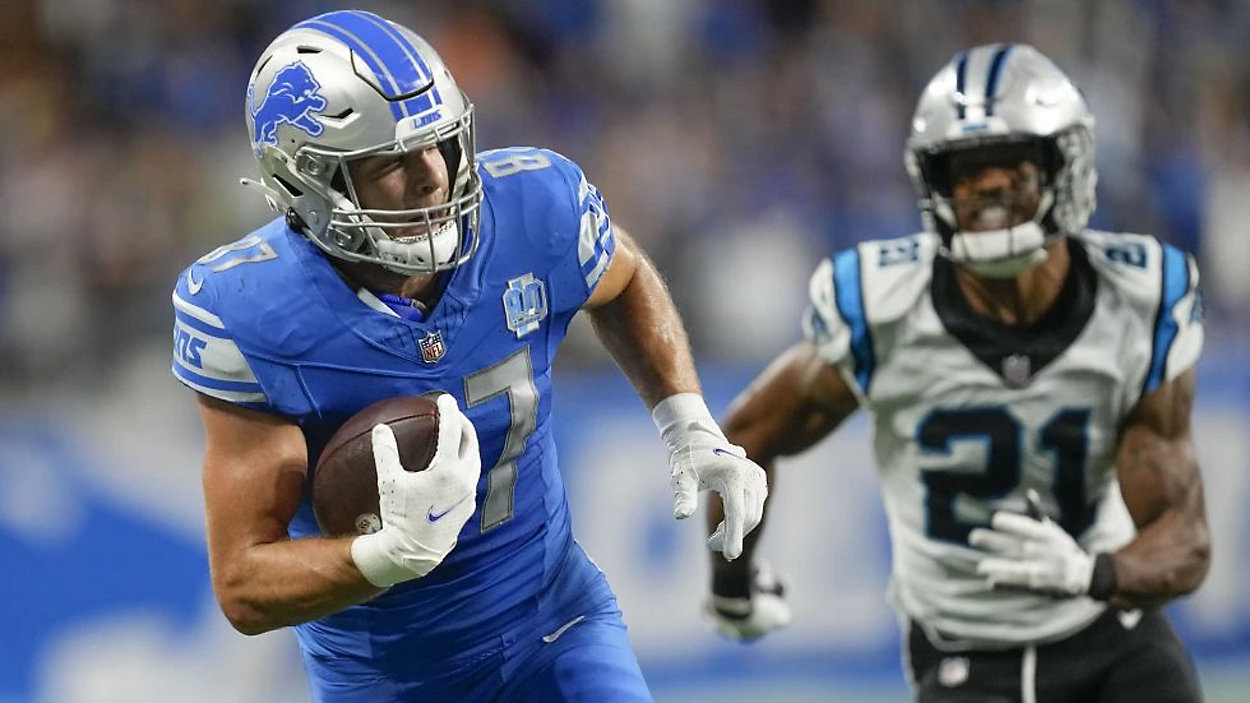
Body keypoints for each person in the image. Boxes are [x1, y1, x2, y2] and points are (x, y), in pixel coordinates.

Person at [170, 10, 767, 702]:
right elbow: (244, 582)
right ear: (309, 180)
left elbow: (624, 277)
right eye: (389, 161)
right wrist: (382, 557)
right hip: (390, 679)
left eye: (442, 143)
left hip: (556, 625)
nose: (432, 176)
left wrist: (687, 420)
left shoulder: (532, 207)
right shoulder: (252, 310)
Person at [703, 44, 1208, 702]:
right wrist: (731, 585)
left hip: (1109, 630)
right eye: (967, 172)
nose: (989, 190)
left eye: (1013, 169)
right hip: (964, 651)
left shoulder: (1134, 299)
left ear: (1067, 167)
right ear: (933, 183)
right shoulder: (885, 308)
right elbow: (747, 434)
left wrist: (1095, 571)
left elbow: (1185, 535)